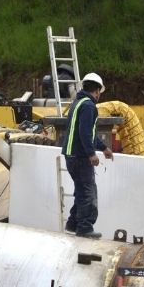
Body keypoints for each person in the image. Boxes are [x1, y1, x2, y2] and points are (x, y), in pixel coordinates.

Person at [62, 72, 114, 239]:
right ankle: (84, 227)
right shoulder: (89, 106)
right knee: (88, 192)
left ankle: (72, 223)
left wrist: (103, 147)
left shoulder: (78, 103)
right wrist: (92, 154)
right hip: (80, 156)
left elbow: (88, 133)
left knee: (80, 190)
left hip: (71, 155)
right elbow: (85, 133)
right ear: (97, 90)